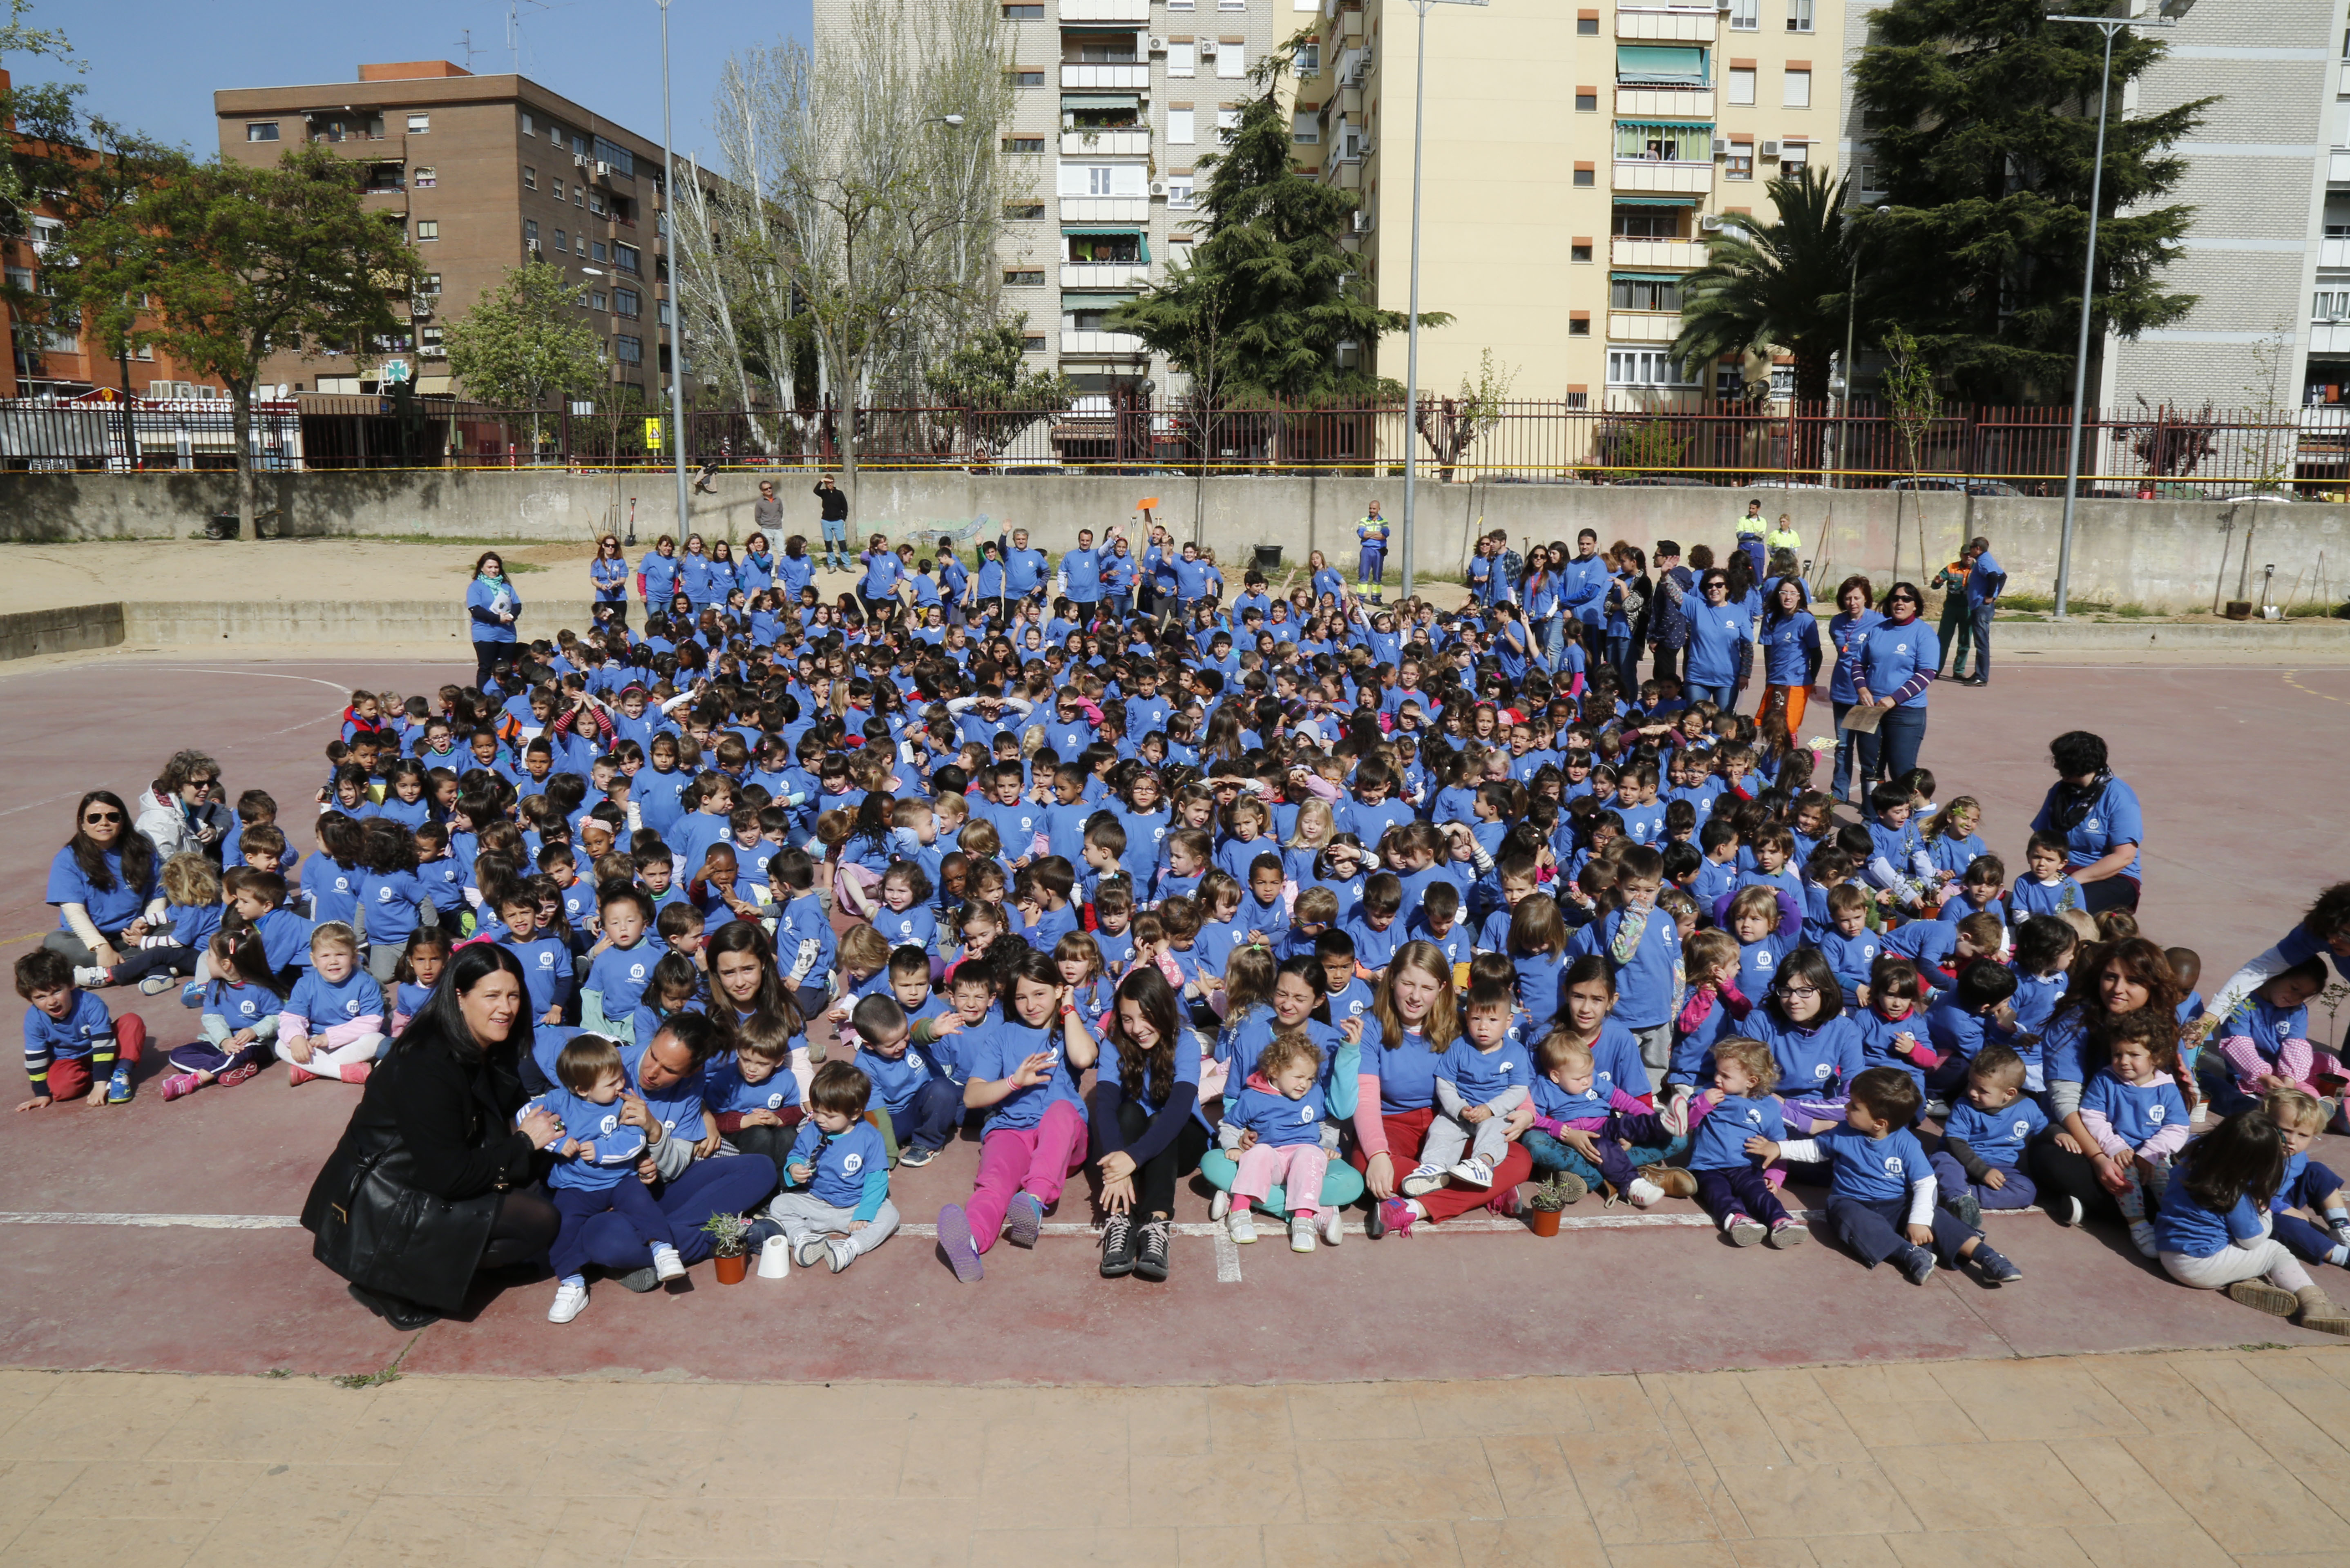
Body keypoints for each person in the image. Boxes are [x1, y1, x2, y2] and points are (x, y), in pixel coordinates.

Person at [303, 943, 561, 1332]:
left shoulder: (490, 1042)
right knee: (539, 1220)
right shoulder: (425, 1062)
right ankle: (387, 1280)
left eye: (513, 995)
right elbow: (449, 1176)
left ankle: (463, 1261)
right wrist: (524, 1144)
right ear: (460, 996)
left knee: (545, 1177)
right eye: (491, 996)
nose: (506, 1008)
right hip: (384, 1199)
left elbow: (512, 1110)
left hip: (427, 1173)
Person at [530, 1033, 689, 1323]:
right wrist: (557, 1142)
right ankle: (572, 1282)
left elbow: (635, 1139)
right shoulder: (559, 1100)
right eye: (611, 1082)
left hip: (620, 1180)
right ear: (582, 1089)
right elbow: (526, 1117)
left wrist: (602, 1150)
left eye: (620, 1078)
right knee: (563, 1225)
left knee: (642, 1205)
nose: (620, 1086)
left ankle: (663, 1250)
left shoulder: (624, 1101)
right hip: (575, 1185)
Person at [2153, 1109, 2350, 1335]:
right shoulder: (2234, 1191)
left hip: (2168, 1252)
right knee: (2274, 1251)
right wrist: (2264, 1212)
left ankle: (2251, 1282)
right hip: (2200, 1266)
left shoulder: (2189, 1164)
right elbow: (2252, 1240)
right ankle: (2317, 1304)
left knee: (2234, 1244)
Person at [769, 1059, 900, 1273]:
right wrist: (794, 1168)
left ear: (855, 1113)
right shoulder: (813, 1130)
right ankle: (804, 1239)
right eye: (817, 1111)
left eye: (830, 1116)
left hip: (855, 1206)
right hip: (817, 1202)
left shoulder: (870, 1137)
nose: (820, 1119)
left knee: (890, 1216)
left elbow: (877, 1178)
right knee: (780, 1204)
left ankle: (850, 1247)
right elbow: (798, 1154)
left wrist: (865, 1212)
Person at [2028, 731, 2145, 914]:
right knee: (2022, 906)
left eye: (2061, 761)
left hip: (2112, 876)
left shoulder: (2119, 797)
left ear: (2079, 765)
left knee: (2066, 912)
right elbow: (2042, 839)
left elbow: (2124, 857)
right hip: (2062, 869)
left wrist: (2074, 880)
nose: (2056, 765)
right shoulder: (2059, 792)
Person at [45, 790, 162, 971]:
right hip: (88, 940)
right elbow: (75, 913)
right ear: (82, 824)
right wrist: (101, 947)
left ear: (123, 822)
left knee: (183, 924)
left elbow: (158, 895)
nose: (104, 823)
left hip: (133, 936)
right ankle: (144, 964)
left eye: (113, 817)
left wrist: (147, 924)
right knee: (54, 942)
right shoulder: (68, 859)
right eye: (94, 818)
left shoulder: (143, 851)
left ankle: (108, 972)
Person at [15, 948, 145, 1110]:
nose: (51, 1002)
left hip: (104, 1049)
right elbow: (36, 1057)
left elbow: (103, 1043)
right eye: (41, 997)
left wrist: (100, 1084)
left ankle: (120, 1073)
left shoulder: (91, 1004)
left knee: (131, 1022)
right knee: (61, 1091)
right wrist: (41, 1094)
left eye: (57, 991)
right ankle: (98, 1074)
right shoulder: (34, 1019)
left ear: (71, 984)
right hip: (68, 1059)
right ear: (30, 999)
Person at [1847, 581, 1937, 798]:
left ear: (1915, 605)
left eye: (1906, 599)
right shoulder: (1877, 630)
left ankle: (1905, 814)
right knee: (1870, 769)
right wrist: (1862, 689)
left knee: (1902, 771)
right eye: (1896, 598)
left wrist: (1895, 699)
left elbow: (1927, 673)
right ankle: (1872, 813)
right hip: (1869, 709)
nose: (1900, 603)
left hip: (1906, 713)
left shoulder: (1925, 634)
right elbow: (1858, 663)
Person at [133, 749, 226, 864]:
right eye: (198, 784)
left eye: (210, 783)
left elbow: (227, 814)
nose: (206, 789)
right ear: (178, 785)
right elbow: (166, 869)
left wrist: (214, 829)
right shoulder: (160, 823)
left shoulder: (193, 805)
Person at [464, 550, 522, 689]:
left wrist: (511, 616)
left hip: (507, 634)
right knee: (486, 668)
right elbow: (476, 610)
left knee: (506, 668)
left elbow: (517, 604)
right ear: (482, 568)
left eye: (496, 567)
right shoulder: (476, 586)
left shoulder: (506, 586)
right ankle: (484, 696)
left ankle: (508, 695)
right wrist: (497, 619)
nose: (493, 570)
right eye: (490, 567)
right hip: (485, 634)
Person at [1957, 535, 2002, 686]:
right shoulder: (1985, 560)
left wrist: (1990, 596)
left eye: (1971, 548)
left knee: (1982, 643)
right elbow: (2003, 576)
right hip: (1980, 606)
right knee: (1981, 642)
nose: (1969, 551)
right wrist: (1994, 595)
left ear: (1977, 549)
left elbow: (1995, 576)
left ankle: (1982, 677)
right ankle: (1979, 673)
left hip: (1981, 607)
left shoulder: (1984, 561)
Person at [590, 534, 632, 628]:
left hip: (618, 597)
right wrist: (601, 586)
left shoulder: (621, 562)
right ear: (603, 546)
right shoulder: (597, 562)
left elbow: (623, 580)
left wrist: (617, 583)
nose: (610, 548)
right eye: (608, 545)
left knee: (619, 625)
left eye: (613, 546)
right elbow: (594, 580)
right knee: (604, 625)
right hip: (603, 597)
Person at [813, 474, 851, 570]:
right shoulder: (824, 493)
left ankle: (847, 565)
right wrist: (822, 480)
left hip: (838, 521)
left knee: (842, 543)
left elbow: (845, 508)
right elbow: (816, 491)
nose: (830, 484)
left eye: (832, 482)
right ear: (826, 484)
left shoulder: (839, 493)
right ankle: (832, 565)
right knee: (829, 544)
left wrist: (843, 520)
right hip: (826, 521)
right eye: (828, 483)